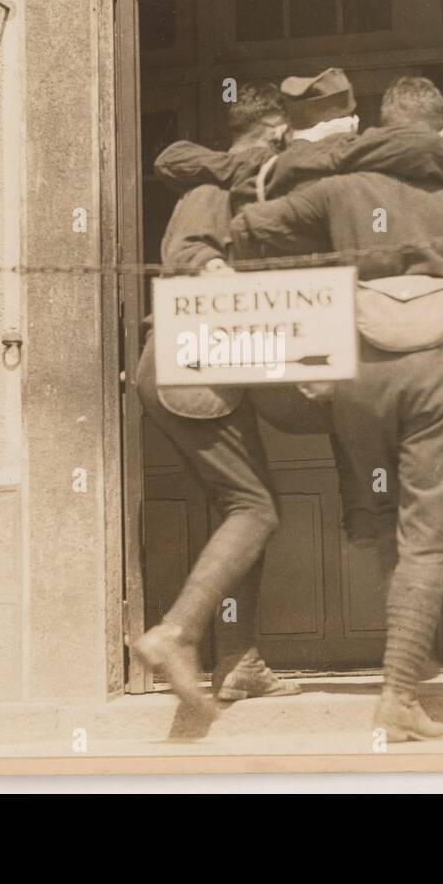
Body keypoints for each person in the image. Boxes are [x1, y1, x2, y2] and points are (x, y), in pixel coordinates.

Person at [231, 75, 443, 741]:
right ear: (442, 134)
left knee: (380, 506)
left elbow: (249, 223)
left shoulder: (337, 189)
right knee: (427, 538)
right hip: (438, 370)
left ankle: (363, 514)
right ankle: (400, 693)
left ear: (380, 130)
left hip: (355, 372)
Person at [160, 69, 443, 539]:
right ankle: (438, 501)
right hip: (321, 334)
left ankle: (374, 511)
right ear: (351, 121)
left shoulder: (279, 166)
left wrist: (263, 163)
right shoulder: (351, 161)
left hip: (303, 331)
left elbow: (175, 160)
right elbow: (431, 154)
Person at [131, 82, 320, 710]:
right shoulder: (212, 190)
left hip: (211, 369)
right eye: (289, 139)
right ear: (274, 134)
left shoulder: (236, 191)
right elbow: (188, 254)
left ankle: (239, 661)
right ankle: (176, 633)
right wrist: (218, 272)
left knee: (245, 509)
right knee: (256, 509)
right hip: (190, 369)